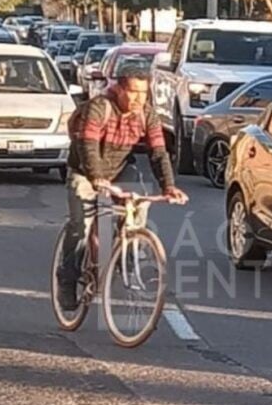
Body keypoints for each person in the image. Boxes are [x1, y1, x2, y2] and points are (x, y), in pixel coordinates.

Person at [57, 68, 188, 308]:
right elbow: (88, 145)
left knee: (137, 207)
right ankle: (67, 280)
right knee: (80, 228)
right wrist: (96, 178)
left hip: (120, 170)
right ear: (118, 89)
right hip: (85, 172)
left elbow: (158, 152)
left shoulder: (147, 115)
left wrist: (169, 186)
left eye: (143, 93)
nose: (138, 99)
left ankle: (127, 249)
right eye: (132, 92)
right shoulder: (98, 108)